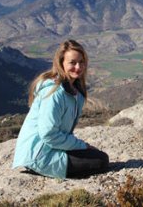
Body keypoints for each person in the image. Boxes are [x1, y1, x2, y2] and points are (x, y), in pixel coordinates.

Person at [13, 40, 109, 179]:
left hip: (49, 149)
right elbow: (48, 134)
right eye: (73, 62)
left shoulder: (74, 91)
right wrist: (82, 146)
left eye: (82, 62)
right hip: (40, 155)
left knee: (98, 156)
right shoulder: (55, 93)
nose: (78, 67)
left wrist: (81, 146)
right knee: (101, 160)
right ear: (61, 63)